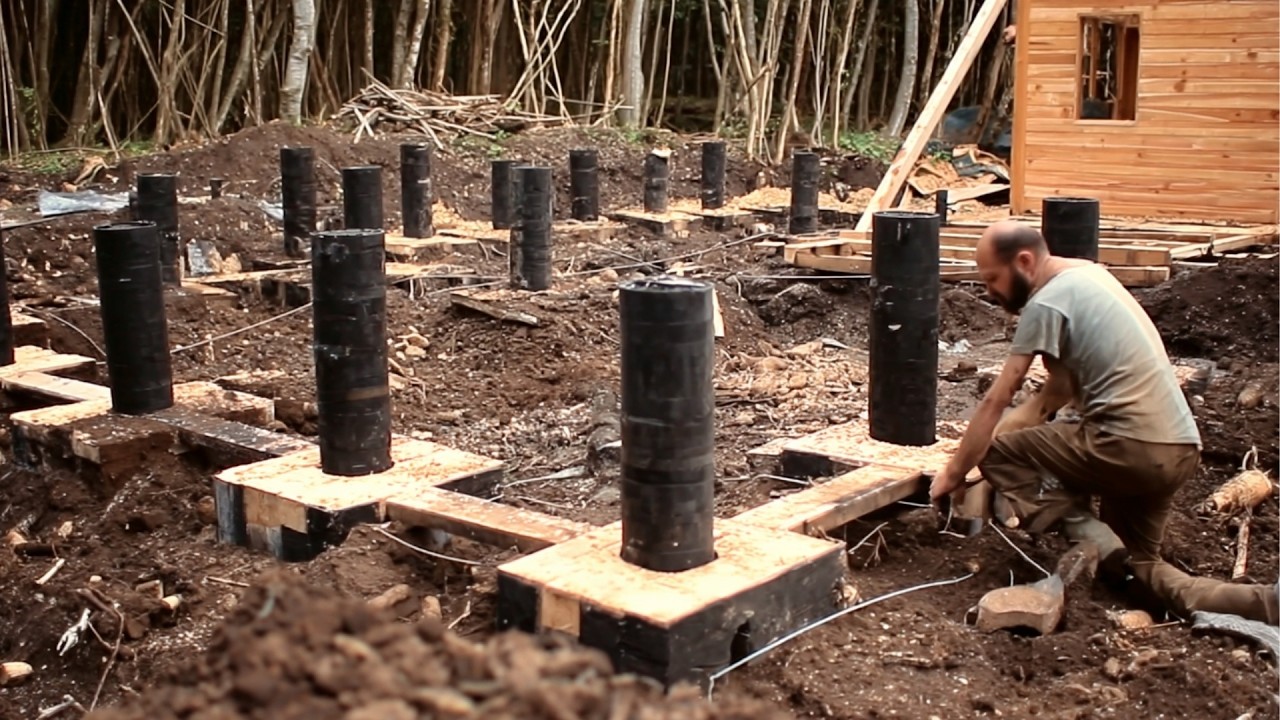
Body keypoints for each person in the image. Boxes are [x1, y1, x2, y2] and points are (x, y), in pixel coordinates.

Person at [929, 220, 1279, 625]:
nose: (989, 291)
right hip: (1177, 448)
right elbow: (1054, 394)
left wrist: (954, 472)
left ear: (1023, 262)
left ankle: (1089, 539)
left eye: (993, 279)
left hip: (1126, 446)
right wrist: (990, 448)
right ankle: (1263, 604)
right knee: (1139, 573)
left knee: (997, 452)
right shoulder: (1090, 276)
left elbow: (998, 399)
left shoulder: (1046, 303)